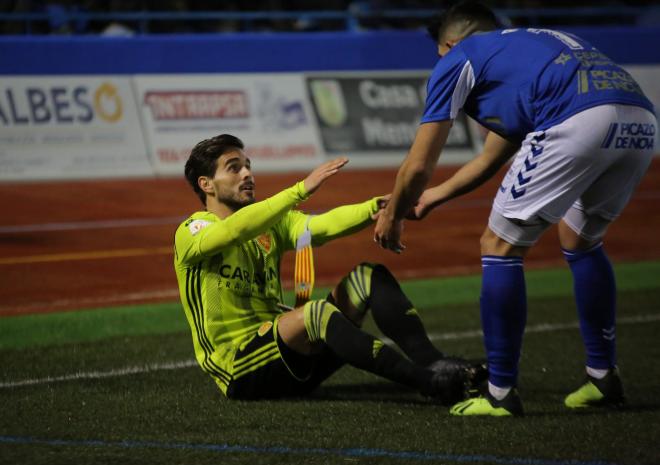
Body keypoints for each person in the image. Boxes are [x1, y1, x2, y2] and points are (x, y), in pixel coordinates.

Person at [374, 1, 656, 416]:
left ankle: (500, 394)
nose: (439, 60)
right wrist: (432, 197)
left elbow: (417, 165)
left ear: (450, 43)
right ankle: (603, 377)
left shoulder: (460, 58)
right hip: (639, 118)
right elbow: (490, 158)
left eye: (440, 52)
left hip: (578, 119)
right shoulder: (523, 49)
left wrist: (393, 216)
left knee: (500, 245)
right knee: (580, 239)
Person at [173, 133, 484, 402]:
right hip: (241, 370)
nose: (247, 174)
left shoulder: (271, 224)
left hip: (288, 358)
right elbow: (233, 231)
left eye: (248, 166)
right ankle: (429, 384)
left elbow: (320, 226)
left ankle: (438, 366)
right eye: (234, 168)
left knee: (367, 277)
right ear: (207, 184)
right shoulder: (193, 231)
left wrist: (377, 208)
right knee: (315, 313)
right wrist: (299, 190)